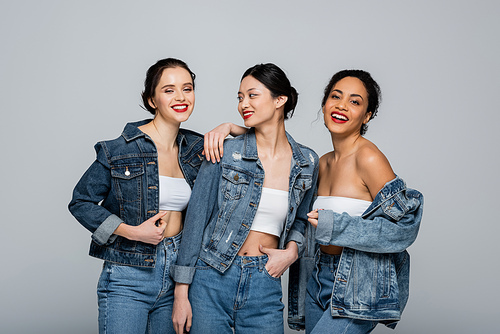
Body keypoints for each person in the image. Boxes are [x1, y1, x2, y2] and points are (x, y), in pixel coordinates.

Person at [68, 58, 245, 334]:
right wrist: (131, 232)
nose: (180, 97)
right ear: (152, 100)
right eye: (169, 90)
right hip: (129, 274)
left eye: (187, 89)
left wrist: (229, 128)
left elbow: (264, 144)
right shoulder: (119, 149)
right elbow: (81, 202)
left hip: (179, 277)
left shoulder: (198, 150)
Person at [171, 63, 319, 334]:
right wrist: (181, 293)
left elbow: (302, 220)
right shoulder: (225, 151)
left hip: (265, 281)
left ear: (280, 99)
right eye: (240, 97)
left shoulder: (307, 162)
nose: (243, 104)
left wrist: (292, 251)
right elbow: (195, 219)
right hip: (211, 277)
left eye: (252, 95)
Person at [287, 70, 423, 333]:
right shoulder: (322, 163)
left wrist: (335, 225)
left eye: (355, 101)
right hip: (318, 277)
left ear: (367, 115)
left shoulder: (369, 158)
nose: (341, 106)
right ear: (325, 104)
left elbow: (403, 228)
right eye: (335, 97)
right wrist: (237, 130)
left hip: (356, 283)